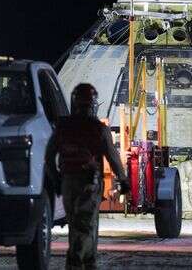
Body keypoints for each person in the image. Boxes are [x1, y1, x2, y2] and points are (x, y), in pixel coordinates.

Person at [46, 83, 130, 270]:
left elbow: (49, 157)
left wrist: (57, 180)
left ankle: (88, 262)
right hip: (89, 183)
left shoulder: (63, 127)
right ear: (92, 103)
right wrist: (123, 180)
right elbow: (113, 157)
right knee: (85, 225)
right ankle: (76, 263)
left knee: (76, 224)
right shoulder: (98, 128)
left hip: (68, 182)